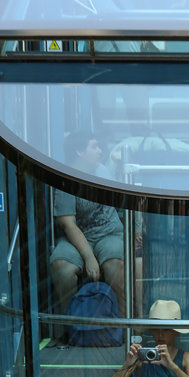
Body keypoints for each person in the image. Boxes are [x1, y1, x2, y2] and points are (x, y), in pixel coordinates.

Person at [50, 132, 128, 317]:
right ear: (79, 151)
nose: (100, 151)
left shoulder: (103, 172)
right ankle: (70, 323)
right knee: (62, 266)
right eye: (94, 146)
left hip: (108, 233)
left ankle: (124, 323)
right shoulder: (66, 178)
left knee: (115, 264)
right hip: (77, 236)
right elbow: (67, 224)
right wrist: (89, 257)